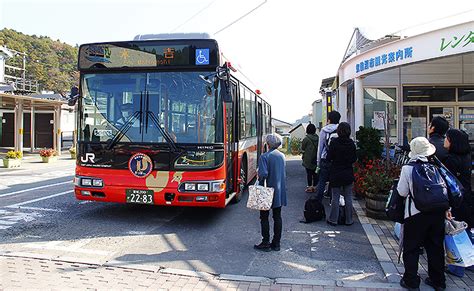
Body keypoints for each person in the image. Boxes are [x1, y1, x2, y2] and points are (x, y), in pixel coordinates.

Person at [397, 137, 448, 291]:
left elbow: (402, 191)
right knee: (435, 247)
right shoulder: (436, 167)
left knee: (411, 247)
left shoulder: (408, 168)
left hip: (416, 214)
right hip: (437, 212)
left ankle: (411, 281)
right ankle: (438, 281)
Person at [443, 129, 473, 278]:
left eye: (447, 138)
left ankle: (456, 267)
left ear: (452, 141)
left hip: (456, 200)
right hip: (467, 199)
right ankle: (470, 262)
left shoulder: (451, 160)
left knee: (453, 233)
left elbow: (448, 183)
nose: (445, 140)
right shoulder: (467, 157)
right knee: (466, 232)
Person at [254, 134, 287, 252]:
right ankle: (276, 243)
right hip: (279, 190)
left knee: (264, 217)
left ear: (268, 144)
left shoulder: (264, 157)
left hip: (266, 191)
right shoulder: (282, 156)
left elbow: (263, 174)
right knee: (277, 217)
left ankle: (265, 242)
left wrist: (258, 175)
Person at [326, 122, 356, 226]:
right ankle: (349, 220)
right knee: (348, 197)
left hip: (336, 173)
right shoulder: (351, 143)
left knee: (335, 196)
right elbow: (354, 159)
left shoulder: (334, 142)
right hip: (348, 172)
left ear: (338, 131)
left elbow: (328, 157)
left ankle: (333, 219)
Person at [315, 111, 341, 202]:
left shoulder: (324, 130)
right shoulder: (341, 129)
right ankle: (332, 199)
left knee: (322, 180)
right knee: (335, 181)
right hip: (337, 159)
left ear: (329, 119)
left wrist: (318, 162)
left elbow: (320, 147)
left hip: (325, 158)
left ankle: (318, 202)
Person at [301, 123, 319, 192]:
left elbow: (303, 148)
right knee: (316, 173)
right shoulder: (318, 138)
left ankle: (309, 187)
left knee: (309, 174)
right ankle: (315, 187)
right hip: (316, 159)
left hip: (308, 160)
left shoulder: (306, 139)